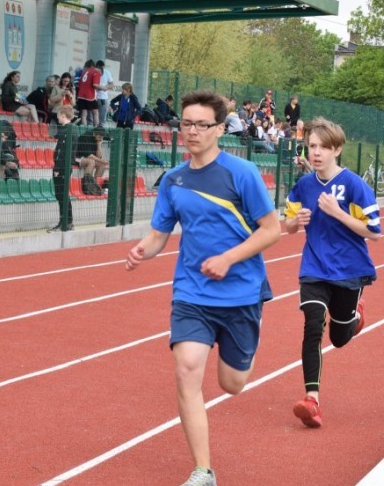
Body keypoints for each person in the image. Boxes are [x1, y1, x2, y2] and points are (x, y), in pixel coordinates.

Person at [125, 90, 281, 486]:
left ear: (219, 129)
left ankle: (242, 353)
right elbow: (161, 234)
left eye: (201, 124)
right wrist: (144, 249)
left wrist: (229, 259)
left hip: (242, 293)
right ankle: (203, 471)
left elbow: (272, 229)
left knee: (232, 384)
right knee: (186, 370)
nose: (192, 131)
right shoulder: (174, 180)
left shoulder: (241, 174)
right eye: (186, 123)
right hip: (192, 293)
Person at [283, 117, 381, 428]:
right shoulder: (303, 185)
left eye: (322, 147)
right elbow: (286, 226)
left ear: (336, 149)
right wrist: (295, 223)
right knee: (312, 325)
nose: (315, 153)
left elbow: (374, 232)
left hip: (349, 270)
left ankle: (355, 316)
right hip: (313, 267)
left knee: (339, 338)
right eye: (311, 146)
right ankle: (312, 400)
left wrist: (337, 213)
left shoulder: (354, 185)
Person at [49, 105, 76, 232]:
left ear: (64, 116)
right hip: (66, 166)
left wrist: (58, 167)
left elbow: (61, 152)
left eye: (59, 115)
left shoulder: (66, 132)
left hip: (62, 167)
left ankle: (65, 221)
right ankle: (66, 221)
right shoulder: (72, 130)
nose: (57, 117)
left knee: (61, 195)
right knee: (63, 195)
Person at [74, 127, 108, 195]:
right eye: (99, 137)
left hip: (87, 158)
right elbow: (90, 156)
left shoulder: (97, 139)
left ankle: (94, 185)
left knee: (102, 165)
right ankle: (87, 185)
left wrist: (99, 144)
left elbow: (98, 156)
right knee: (91, 162)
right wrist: (102, 161)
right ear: (95, 134)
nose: (101, 139)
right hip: (77, 157)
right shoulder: (85, 137)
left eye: (102, 137)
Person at [75, 59, 102, 126]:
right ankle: (96, 129)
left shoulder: (83, 72)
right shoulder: (95, 72)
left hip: (81, 95)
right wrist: (104, 88)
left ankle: (84, 130)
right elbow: (95, 85)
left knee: (84, 114)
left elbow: (78, 84)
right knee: (95, 113)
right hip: (90, 96)